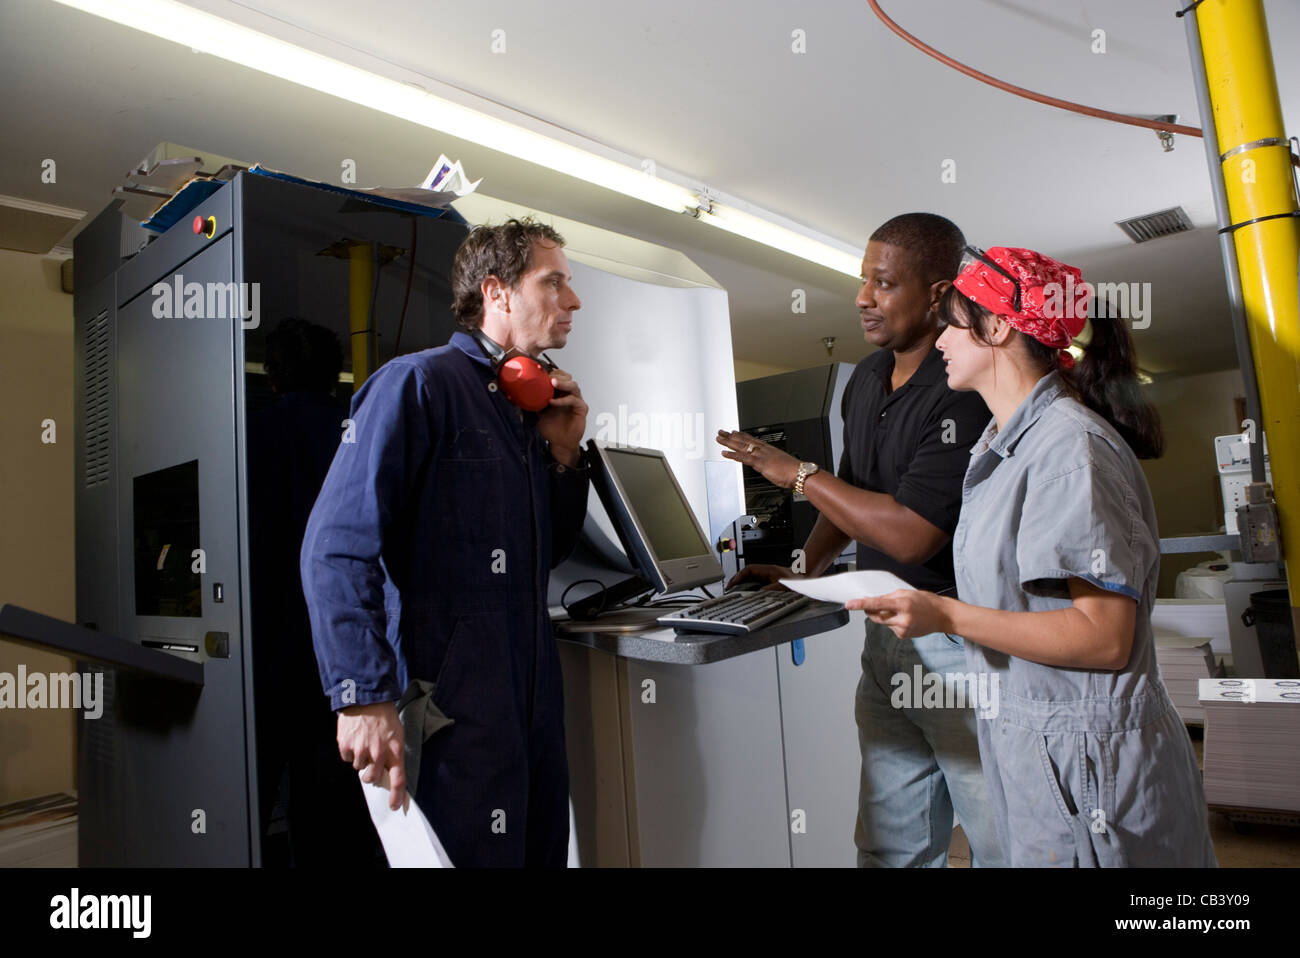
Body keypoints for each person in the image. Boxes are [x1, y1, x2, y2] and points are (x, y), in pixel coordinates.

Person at [848, 245, 1217, 867]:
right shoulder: (1004, 448)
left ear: (995, 327)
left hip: (1089, 764)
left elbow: (1103, 639)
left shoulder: (1070, 451)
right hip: (1038, 749)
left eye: (953, 326)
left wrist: (946, 616)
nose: (940, 343)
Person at [717, 213, 1005, 867]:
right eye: (862, 281)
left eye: (882, 283)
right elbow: (850, 495)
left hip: (959, 647)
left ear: (937, 295)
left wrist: (795, 473)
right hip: (885, 641)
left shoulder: (962, 390)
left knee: (1002, 840)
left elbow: (909, 535)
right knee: (890, 844)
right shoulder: (866, 381)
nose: (862, 298)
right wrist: (801, 570)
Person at [300, 218, 590, 867]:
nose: (573, 301)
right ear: (498, 292)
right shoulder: (419, 385)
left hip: (532, 707)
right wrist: (363, 696)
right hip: (452, 710)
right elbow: (334, 547)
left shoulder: (527, 410)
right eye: (555, 283)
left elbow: (547, 553)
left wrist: (564, 455)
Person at [248, 317, 384, 867]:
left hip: (264, 642)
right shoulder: (358, 429)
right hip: (346, 646)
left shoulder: (249, 435)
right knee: (333, 800)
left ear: (273, 377)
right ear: (335, 378)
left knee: (253, 788)